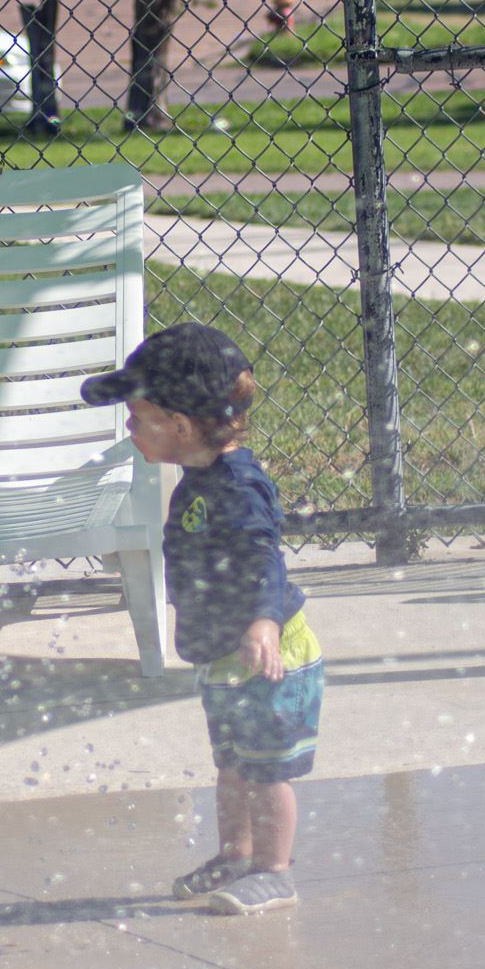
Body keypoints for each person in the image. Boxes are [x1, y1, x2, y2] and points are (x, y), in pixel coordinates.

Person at [82, 323, 323, 916]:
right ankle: (235, 856)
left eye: (138, 416)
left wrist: (262, 623)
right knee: (234, 766)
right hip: (227, 658)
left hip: (271, 656)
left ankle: (275, 871)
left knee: (267, 772)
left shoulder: (238, 488)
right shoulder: (202, 476)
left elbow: (265, 557)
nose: (130, 427)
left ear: (181, 426)